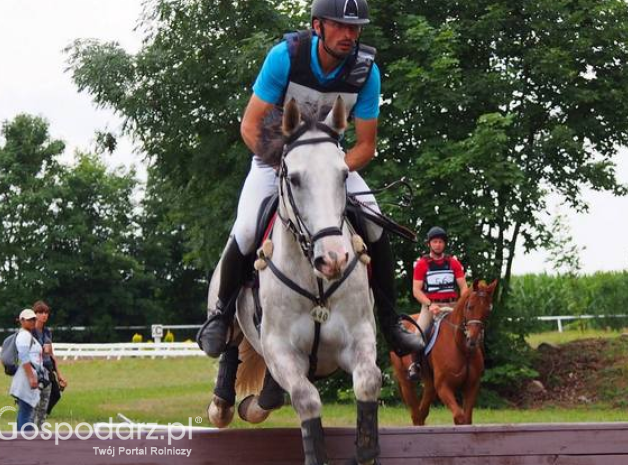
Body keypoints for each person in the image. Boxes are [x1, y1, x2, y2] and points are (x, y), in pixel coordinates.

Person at [198, 0, 423, 358]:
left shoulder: (367, 72)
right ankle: (220, 317)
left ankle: (391, 320)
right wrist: (284, 168)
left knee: (376, 224)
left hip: (331, 163)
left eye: (355, 28)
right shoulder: (285, 57)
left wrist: (329, 174)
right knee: (245, 228)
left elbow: (365, 146)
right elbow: (250, 125)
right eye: (340, 26)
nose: (349, 34)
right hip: (273, 161)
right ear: (318, 26)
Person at [407, 226, 469, 381]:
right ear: (429, 244)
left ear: (444, 244)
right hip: (431, 306)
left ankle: (475, 364)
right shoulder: (422, 264)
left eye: (441, 242)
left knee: (472, 329)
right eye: (435, 242)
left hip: (453, 305)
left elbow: (463, 287)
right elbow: (416, 290)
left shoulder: (453, 263)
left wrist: (462, 304)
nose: (438, 245)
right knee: (418, 333)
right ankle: (415, 366)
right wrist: (430, 304)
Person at [31, 301, 67, 427]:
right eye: (40, 312)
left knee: (49, 400)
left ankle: (40, 428)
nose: (44, 315)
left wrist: (59, 374)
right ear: (35, 314)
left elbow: (51, 354)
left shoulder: (47, 332)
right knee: (35, 403)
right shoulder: (30, 332)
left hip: (48, 369)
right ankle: (29, 430)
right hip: (36, 370)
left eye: (46, 312)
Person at [8, 309, 43, 431]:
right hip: (26, 378)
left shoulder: (28, 335)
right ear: (22, 321)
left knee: (26, 410)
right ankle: (24, 442)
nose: (32, 322)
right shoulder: (24, 335)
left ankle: (22, 440)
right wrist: (31, 377)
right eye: (29, 319)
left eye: (34, 319)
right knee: (26, 411)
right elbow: (24, 356)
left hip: (29, 376)